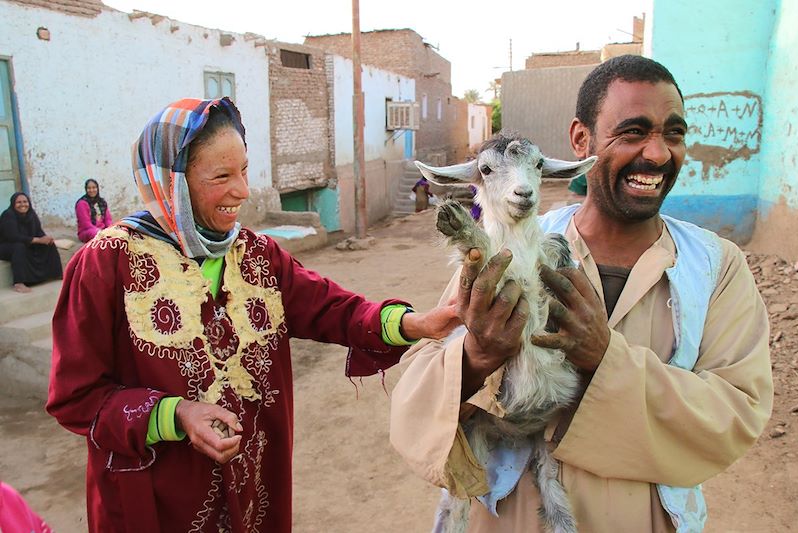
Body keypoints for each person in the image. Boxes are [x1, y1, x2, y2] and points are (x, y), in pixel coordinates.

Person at [390, 55, 773, 532]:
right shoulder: (506, 248)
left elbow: (737, 412)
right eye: (632, 132)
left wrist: (606, 358)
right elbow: (418, 391)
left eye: (673, 134)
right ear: (580, 140)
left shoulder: (716, 265)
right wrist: (476, 356)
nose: (656, 154)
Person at [46, 97, 458, 533]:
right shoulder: (107, 263)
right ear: (171, 183)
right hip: (156, 502)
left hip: (254, 492)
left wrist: (414, 323)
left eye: (244, 170)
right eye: (221, 176)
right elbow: (76, 397)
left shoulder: (257, 255)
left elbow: (331, 308)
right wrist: (176, 413)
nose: (241, 190)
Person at [0, 192, 63, 293]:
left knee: (49, 244)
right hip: (6, 247)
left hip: (26, 243)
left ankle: (54, 274)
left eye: (25, 202)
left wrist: (45, 238)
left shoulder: (31, 214)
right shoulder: (8, 215)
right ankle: (19, 283)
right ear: (13, 204)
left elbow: (38, 231)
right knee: (19, 247)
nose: (22, 205)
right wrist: (37, 240)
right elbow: (12, 236)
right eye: (19, 202)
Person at [75, 178, 113, 242]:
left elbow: (108, 219)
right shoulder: (81, 203)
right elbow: (85, 224)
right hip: (87, 231)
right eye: (89, 188)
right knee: (97, 234)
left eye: (94, 187)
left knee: (115, 232)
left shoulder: (102, 202)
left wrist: (110, 229)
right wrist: (100, 232)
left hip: (102, 230)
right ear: (86, 189)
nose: (91, 190)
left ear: (97, 188)